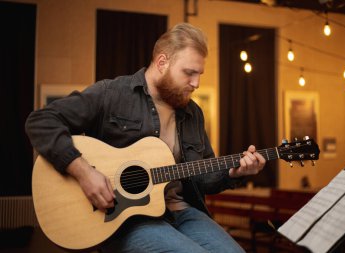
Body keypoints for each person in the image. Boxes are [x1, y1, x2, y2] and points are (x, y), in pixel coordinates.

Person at [25, 23, 266, 253]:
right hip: (124, 220)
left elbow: (204, 179)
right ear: (162, 62)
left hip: (182, 212)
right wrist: (84, 172)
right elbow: (41, 121)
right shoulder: (112, 94)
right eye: (189, 73)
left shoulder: (193, 113)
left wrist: (234, 173)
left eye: (199, 74)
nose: (197, 83)